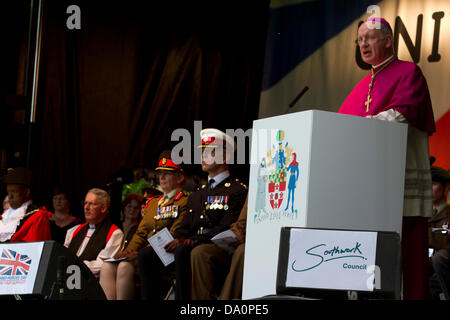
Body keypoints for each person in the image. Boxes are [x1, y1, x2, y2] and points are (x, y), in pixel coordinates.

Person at [339, 17, 435, 300]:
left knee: (405, 258)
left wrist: (366, 123)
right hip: (367, 189)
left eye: (369, 38)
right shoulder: (360, 86)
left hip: (400, 184)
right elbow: (340, 125)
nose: (363, 45)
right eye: (359, 40)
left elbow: (406, 110)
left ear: (388, 40)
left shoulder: (409, 72)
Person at [165, 128, 248, 300]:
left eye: (210, 152)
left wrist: (192, 240)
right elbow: (185, 226)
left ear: (225, 157)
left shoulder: (237, 189)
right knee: (148, 255)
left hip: (219, 247)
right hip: (196, 244)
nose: (203, 156)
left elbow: (226, 227)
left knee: (194, 251)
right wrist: (174, 239)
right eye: (202, 152)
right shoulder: (198, 193)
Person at [99, 153, 188, 300]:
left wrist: (138, 253)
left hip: (166, 256)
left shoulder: (184, 202)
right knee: (107, 267)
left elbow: (175, 233)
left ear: (179, 178)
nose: (162, 177)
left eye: (167, 174)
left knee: (124, 267)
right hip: (143, 254)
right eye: (160, 174)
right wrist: (127, 251)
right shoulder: (153, 203)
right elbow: (141, 232)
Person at [191, 195, 248, 300]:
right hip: (237, 241)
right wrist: (235, 234)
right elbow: (242, 222)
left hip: (255, 243)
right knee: (200, 252)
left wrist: (249, 237)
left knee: (243, 251)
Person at [64, 188, 123, 277]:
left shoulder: (114, 234)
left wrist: (73, 267)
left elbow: (102, 265)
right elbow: (63, 256)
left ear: (103, 208)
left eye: (91, 204)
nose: (86, 207)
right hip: (68, 279)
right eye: (85, 203)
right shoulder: (73, 231)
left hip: (92, 283)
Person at [0, 167, 52, 242]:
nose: (10, 196)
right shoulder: (5, 215)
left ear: (26, 192)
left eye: (14, 191)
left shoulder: (37, 216)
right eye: (8, 192)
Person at [428, 166, 450, 299]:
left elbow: (444, 242)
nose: (429, 189)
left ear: (446, 187)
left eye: (434, 184)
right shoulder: (419, 214)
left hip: (438, 268)